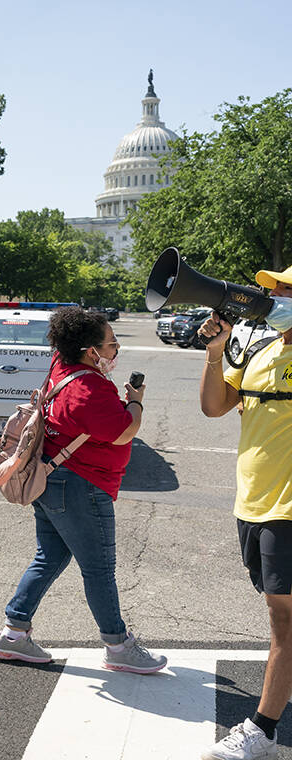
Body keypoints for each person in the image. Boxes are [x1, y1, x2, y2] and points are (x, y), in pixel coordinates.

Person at [0, 307, 166, 674]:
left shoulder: (63, 366)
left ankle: (13, 634)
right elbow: (124, 430)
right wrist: (135, 400)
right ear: (91, 351)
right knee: (99, 568)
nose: (116, 352)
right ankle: (117, 645)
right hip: (81, 487)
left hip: (53, 479)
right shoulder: (88, 389)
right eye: (112, 346)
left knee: (50, 557)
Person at [199, 265, 292, 760]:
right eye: (274, 290)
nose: (274, 297)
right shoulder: (261, 349)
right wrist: (216, 354)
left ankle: (265, 729)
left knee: (284, 618)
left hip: (288, 509)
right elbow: (215, 406)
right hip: (253, 502)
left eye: (286, 290)